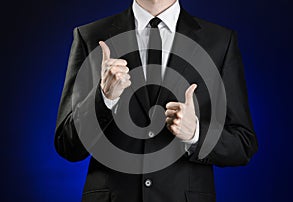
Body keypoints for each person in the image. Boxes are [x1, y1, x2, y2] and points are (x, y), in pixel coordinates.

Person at [55, 0, 258, 201]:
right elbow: (67, 144)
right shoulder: (90, 37)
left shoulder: (220, 41)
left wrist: (196, 134)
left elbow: (243, 143)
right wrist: (105, 98)